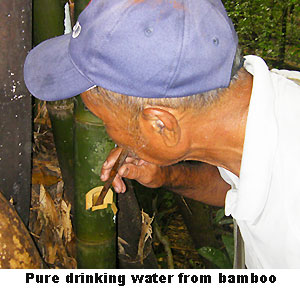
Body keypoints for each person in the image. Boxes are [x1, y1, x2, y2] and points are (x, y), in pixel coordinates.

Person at [24, 0, 300, 268]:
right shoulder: (262, 111)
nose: (111, 134)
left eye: (103, 119)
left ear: (160, 125)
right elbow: (237, 189)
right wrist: (165, 175)